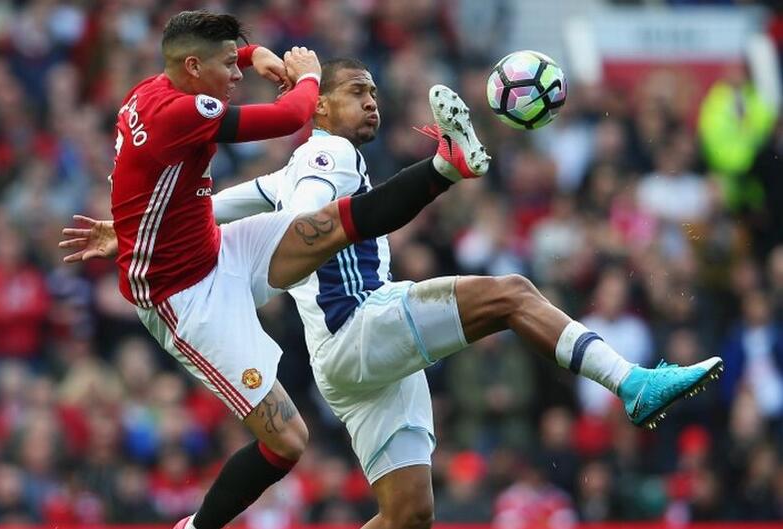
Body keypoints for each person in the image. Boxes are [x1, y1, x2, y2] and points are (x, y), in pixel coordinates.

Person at [63, 57, 723, 529]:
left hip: (346, 363)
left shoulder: (301, 163)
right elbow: (311, 214)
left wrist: (123, 230)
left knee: (408, 513)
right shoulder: (328, 156)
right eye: (356, 91)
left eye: (375, 92)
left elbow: (217, 208)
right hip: (358, 327)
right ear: (319, 107)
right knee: (512, 294)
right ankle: (630, 382)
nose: (371, 101)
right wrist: (433, 171)